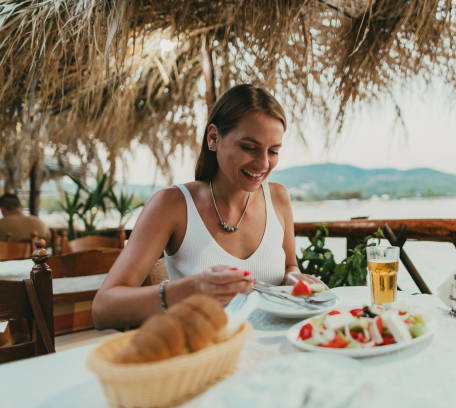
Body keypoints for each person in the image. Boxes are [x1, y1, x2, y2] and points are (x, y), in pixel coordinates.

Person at [92, 84, 324, 329]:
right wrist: (191, 289)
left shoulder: (278, 197)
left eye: (273, 151)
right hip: (205, 357)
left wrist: (293, 278)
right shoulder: (172, 204)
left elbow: (289, 264)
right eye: (248, 147)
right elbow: (103, 309)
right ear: (213, 138)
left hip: (277, 352)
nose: (263, 163)